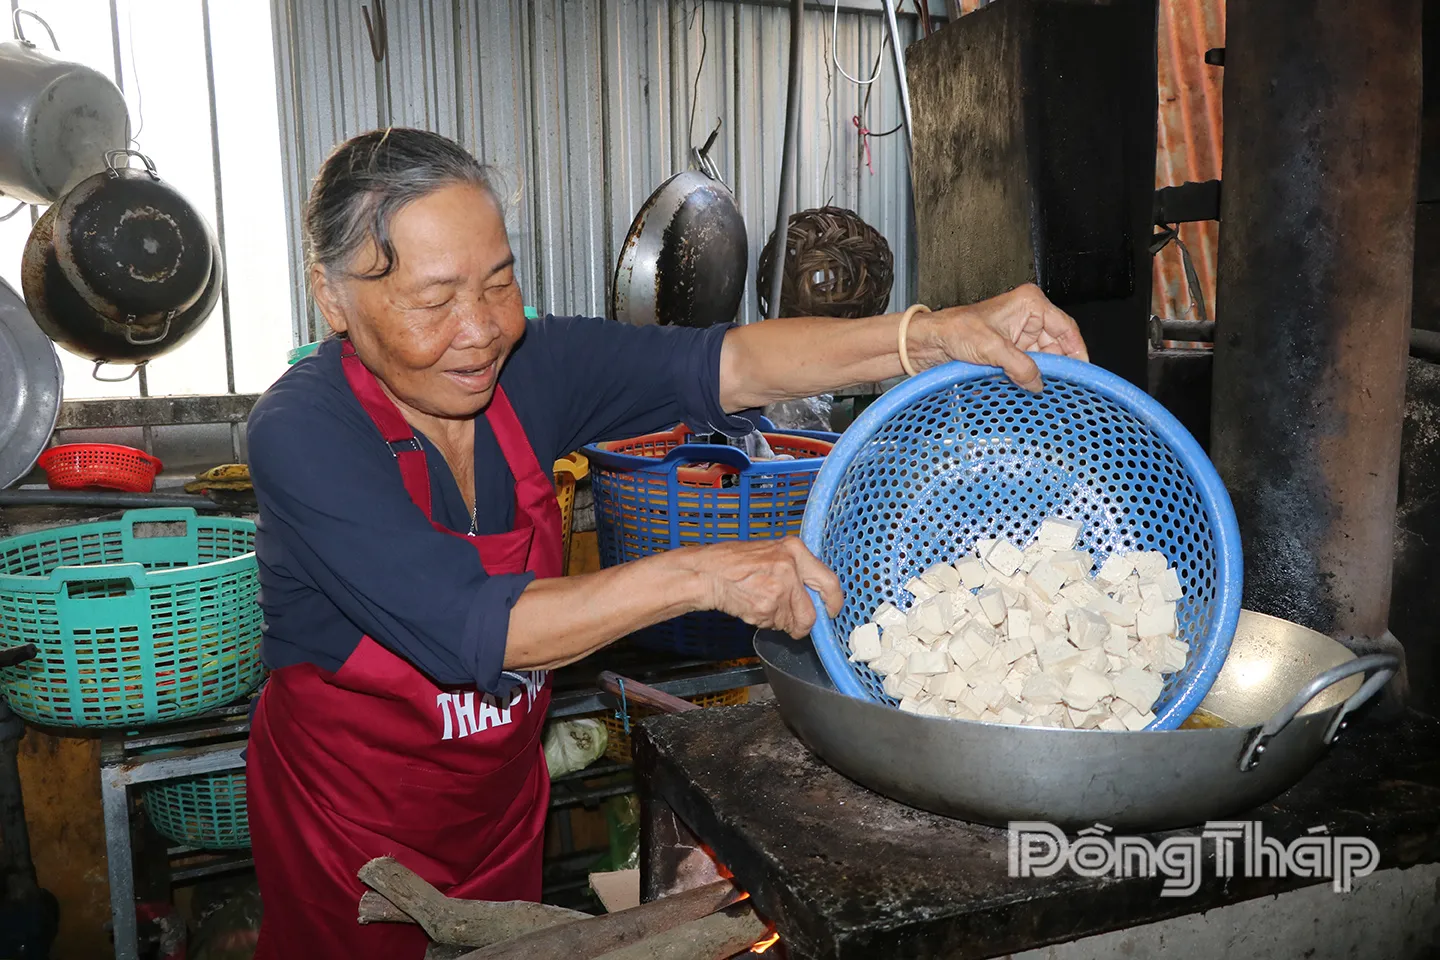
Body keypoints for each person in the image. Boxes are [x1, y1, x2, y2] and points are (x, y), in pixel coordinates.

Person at [244, 127, 1089, 957]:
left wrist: (931, 335)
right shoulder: (304, 431)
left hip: (498, 825)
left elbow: (730, 364)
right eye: (434, 301)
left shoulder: (526, 369)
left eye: (498, 282)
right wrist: (704, 576)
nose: (480, 330)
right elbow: (481, 627)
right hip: (354, 853)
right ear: (332, 297)